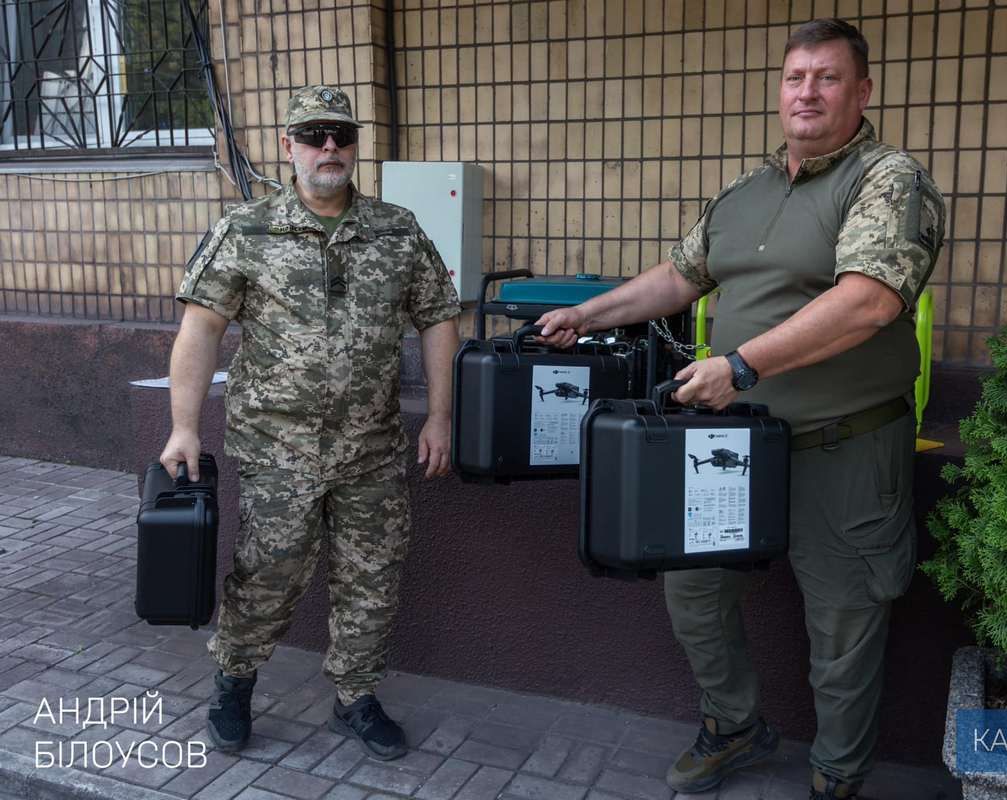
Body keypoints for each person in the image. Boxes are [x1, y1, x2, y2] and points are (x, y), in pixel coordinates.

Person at [537, 19, 945, 800]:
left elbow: (868, 302)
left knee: (844, 625)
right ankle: (735, 726)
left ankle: (837, 776)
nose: (808, 91)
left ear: (863, 91)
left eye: (828, 78)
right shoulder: (747, 189)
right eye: (796, 77)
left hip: (845, 447)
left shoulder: (887, 179)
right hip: (735, 446)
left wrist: (744, 364)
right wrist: (590, 314)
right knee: (692, 589)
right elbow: (681, 274)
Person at [159, 85, 461, 761]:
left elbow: (439, 316)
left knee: (373, 574)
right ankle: (234, 682)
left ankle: (356, 696)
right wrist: (184, 427)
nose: (331, 148)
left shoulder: (398, 228)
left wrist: (440, 415)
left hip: (374, 449)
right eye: (315, 134)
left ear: (355, 146)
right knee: (267, 571)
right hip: (277, 448)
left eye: (343, 136)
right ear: (288, 145)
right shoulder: (246, 231)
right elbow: (200, 328)